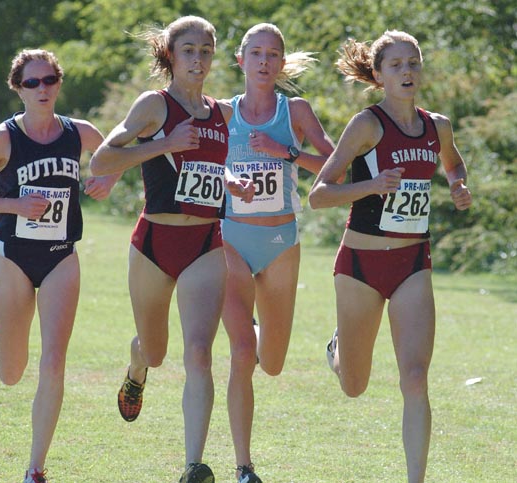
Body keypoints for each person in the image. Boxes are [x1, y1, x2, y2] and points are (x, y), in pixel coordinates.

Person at [89, 16, 254, 483]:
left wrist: (231, 182)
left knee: (199, 353)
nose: (197, 59)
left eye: (205, 50)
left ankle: (192, 466)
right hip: (154, 244)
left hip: (205, 242)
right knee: (156, 351)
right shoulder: (154, 106)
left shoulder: (223, 114)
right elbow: (103, 159)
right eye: (188, 51)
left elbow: (207, 172)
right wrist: (163, 143)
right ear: (171, 55)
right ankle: (137, 366)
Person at [308, 31, 472, 483]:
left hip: (412, 265)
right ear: (378, 75)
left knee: (415, 378)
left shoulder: (437, 124)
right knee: (354, 386)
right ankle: (338, 349)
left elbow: (452, 162)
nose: (407, 71)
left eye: (413, 63)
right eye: (396, 65)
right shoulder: (367, 125)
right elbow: (319, 195)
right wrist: (371, 186)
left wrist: (457, 184)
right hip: (360, 268)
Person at [0, 49, 119, 483]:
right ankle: (0, 328)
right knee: (11, 373)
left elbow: (115, 159)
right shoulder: (2, 138)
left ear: (59, 84)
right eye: (32, 83)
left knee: (54, 362)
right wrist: (14, 204)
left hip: (62, 255)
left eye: (49, 80)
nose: (42, 88)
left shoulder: (80, 133)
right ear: (18, 89)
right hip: (12, 258)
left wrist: (106, 180)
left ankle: (35, 468)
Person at [220, 23, 335, 483]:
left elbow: (334, 164)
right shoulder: (221, 114)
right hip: (230, 238)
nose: (264, 61)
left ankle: (316, 342)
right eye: (256, 53)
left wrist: (286, 152)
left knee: (272, 362)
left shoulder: (297, 111)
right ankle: (244, 466)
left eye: (273, 54)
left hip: (280, 244)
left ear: (282, 63)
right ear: (241, 59)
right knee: (243, 353)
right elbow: (204, 167)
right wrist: (230, 182)